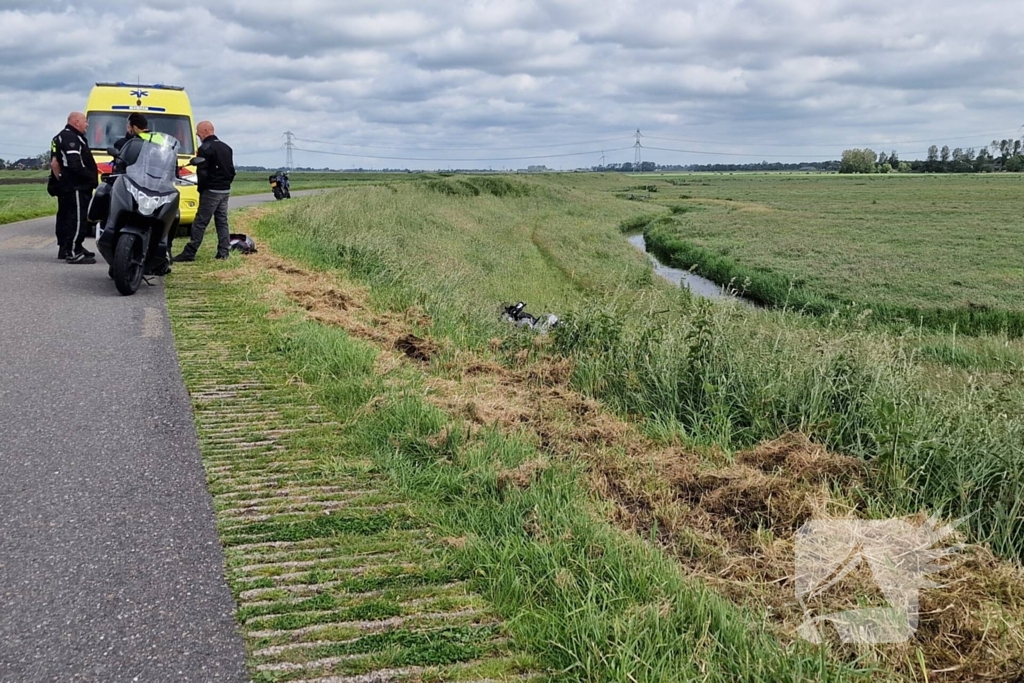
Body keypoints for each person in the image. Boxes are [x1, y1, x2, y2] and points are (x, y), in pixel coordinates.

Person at [173, 121, 235, 262]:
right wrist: (225, 184)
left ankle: (190, 252)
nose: (197, 134)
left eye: (198, 131)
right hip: (224, 190)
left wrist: (202, 189)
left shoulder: (205, 149)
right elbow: (231, 171)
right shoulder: (227, 148)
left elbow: (202, 174)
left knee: (200, 222)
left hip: (211, 191)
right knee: (222, 221)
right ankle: (224, 251)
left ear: (206, 130)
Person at [50, 112, 98, 263]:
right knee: (77, 218)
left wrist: (60, 180)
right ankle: (74, 252)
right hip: (76, 185)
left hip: (67, 185)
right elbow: (74, 164)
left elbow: (55, 163)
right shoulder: (71, 137)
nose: (87, 124)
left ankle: (66, 248)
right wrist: (90, 177)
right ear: (76, 122)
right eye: (85, 121)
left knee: (66, 217)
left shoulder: (60, 136)